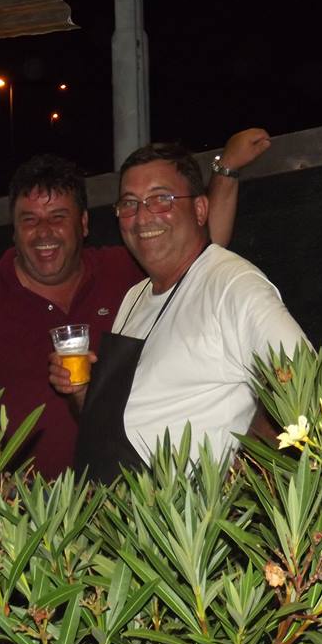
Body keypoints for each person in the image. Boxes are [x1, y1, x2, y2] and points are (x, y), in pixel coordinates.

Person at [0, 129, 271, 478]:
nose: (44, 232)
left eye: (58, 217)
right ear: (14, 231)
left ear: (83, 224)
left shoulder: (126, 271)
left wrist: (225, 169)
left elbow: (199, 247)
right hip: (25, 510)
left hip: (122, 500)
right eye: (29, 220)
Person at [50, 143, 307, 483]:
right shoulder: (135, 297)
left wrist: (249, 482)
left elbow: (304, 385)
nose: (142, 217)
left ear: (200, 209)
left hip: (182, 514)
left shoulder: (233, 285)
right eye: (129, 203)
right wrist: (82, 391)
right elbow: (112, 426)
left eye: (161, 199)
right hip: (115, 510)